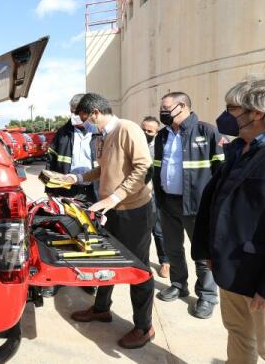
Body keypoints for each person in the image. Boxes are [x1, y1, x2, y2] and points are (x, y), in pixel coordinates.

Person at [192, 77, 265, 363]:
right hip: (231, 269)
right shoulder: (238, 149)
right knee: (239, 335)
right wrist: (208, 250)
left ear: (258, 113)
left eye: (232, 109)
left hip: (263, 278)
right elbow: (217, 203)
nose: (225, 116)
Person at [68, 93, 155, 349]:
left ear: (95, 112)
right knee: (106, 260)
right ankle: (101, 308)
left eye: (85, 119)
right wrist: (77, 179)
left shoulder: (128, 129)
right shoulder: (103, 136)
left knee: (137, 268)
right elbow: (104, 169)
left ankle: (144, 326)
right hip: (113, 209)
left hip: (133, 211)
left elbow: (143, 168)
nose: (85, 125)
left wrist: (114, 197)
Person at [152, 92, 223, 319]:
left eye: (166, 108)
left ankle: (207, 295)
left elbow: (222, 173)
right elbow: (156, 169)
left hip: (198, 206)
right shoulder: (162, 136)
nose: (162, 112)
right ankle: (178, 284)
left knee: (202, 253)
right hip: (168, 202)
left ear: (182, 106)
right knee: (173, 249)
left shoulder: (207, 131)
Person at [46, 93, 98, 202]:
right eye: (71, 111)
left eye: (77, 112)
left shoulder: (98, 132)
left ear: (88, 112)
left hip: (93, 190)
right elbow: (51, 162)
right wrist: (49, 189)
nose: (73, 115)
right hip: (68, 190)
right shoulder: (62, 133)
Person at [141, 116, 170, 278]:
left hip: (156, 196)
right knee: (141, 231)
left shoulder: (162, 148)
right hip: (137, 196)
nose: (145, 133)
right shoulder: (134, 145)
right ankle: (142, 262)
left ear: (156, 133)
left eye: (149, 131)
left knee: (158, 231)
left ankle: (165, 262)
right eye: (143, 129)